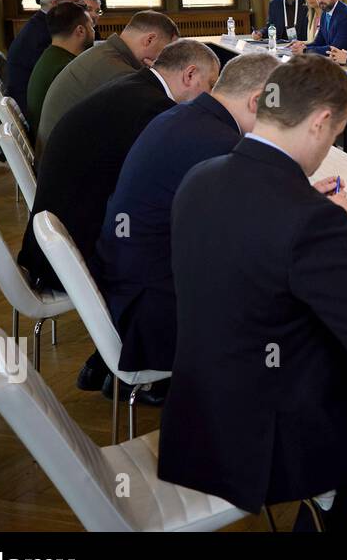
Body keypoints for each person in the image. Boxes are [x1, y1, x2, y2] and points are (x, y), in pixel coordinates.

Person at [158, 55, 347, 531]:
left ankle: (323, 509)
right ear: (321, 121)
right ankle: (324, 496)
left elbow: (255, 255)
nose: (330, 145)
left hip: (202, 410)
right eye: (336, 134)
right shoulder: (311, 219)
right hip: (272, 435)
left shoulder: (202, 177)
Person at [93, 52, 280, 391]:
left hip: (131, 286)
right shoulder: (220, 143)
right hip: (159, 313)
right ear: (257, 102)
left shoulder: (183, 115)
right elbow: (254, 240)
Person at [17, 39, 220, 294]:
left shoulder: (133, 87)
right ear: (190, 74)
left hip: (54, 245)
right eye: (211, 85)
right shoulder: (154, 108)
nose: (211, 96)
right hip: (78, 257)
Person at [34, 10, 179, 154]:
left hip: (59, 157)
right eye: (165, 53)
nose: (164, 62)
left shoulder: (105, 53)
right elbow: (159, 122)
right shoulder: (120, 72)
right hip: (67, 165)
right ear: (149, 40)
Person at [5, 0, 83, 113]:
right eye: (77, 0)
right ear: (56, 4)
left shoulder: (41, 24)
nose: (84, 4)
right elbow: (63, 82)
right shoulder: (44, 36)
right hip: (35, 113)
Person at [26, 2, 95, 138]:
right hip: (55, 145)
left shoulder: (51, 56)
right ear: (80, 31)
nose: (94, 31)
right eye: (92, 26)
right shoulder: (65, 69)